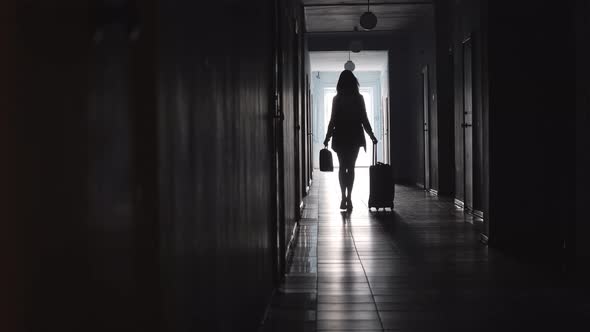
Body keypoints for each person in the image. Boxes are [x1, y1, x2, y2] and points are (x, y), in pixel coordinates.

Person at [323, 70, 378, 211]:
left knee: (342, 167)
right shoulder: (358, 98)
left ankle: (343, 197)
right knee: (351, 167)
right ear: (354, 83)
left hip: (340, 136)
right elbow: (364, 119)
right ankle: (349, 198)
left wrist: (327, 137)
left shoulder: (337, 99)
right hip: (354, 136)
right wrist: (371, 135)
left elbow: (332, 120)